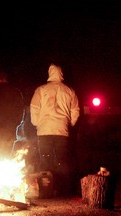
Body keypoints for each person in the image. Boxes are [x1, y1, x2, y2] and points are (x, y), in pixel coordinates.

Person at [30, 63, 80, 197]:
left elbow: (34, 108)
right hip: (61, 130)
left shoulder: (41, 90)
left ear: (49, 73)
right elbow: (75, 111)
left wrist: (37, 123)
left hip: (44, 130)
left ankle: (46, 190)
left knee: (45, 159)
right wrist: (69, 124)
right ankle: (64, 190)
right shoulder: (69, 91)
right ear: (61, 74)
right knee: (62, 160)